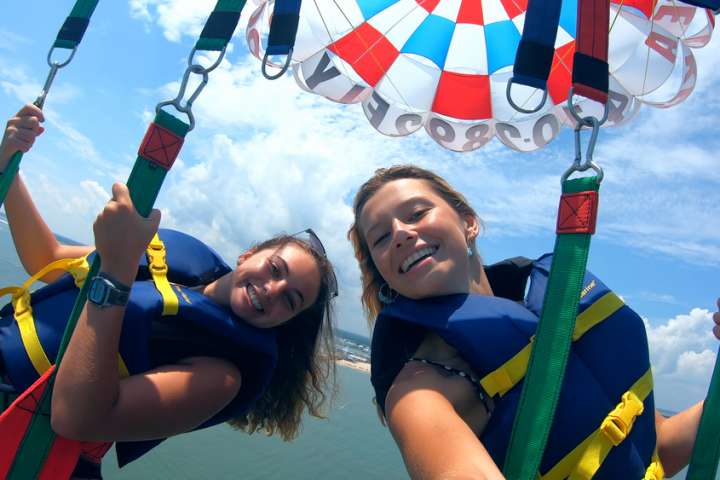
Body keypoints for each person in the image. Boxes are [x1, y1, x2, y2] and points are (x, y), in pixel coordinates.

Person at [0, 104, 338, 479]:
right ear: (248, 254)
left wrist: (117, 270)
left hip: (21, 441)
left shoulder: (220, 377)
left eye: (291, 300)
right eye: (276, 269)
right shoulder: (169, 256)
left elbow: (76, 418)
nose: (274, 290)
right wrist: (9, 164)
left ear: (286, 320)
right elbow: (46, 257)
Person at [347, 165, 720, 479]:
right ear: (383, 271)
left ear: (468, 223)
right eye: (380, 238)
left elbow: (664, 446)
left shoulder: (555, 314)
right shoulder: (421, 390)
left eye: (416, 214)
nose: (400, 234)